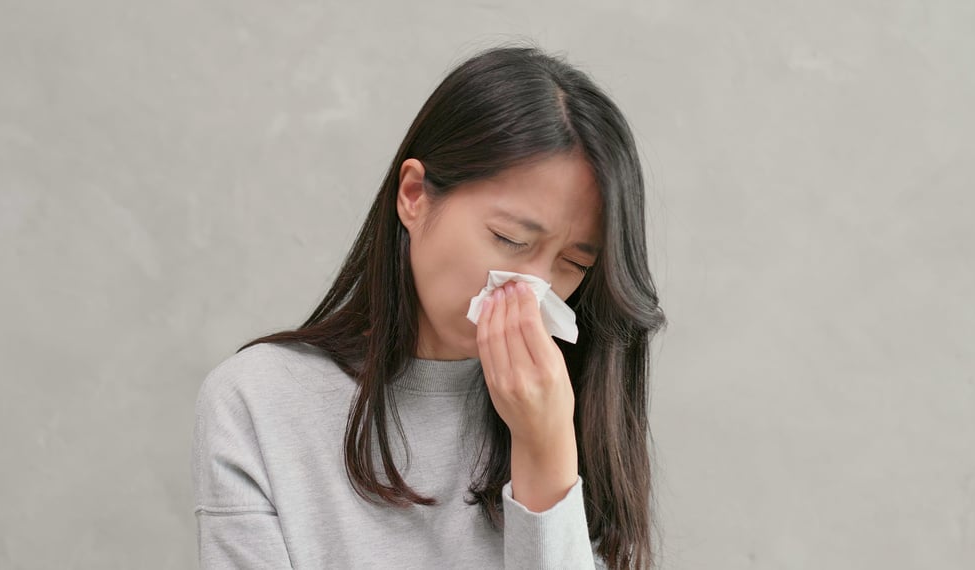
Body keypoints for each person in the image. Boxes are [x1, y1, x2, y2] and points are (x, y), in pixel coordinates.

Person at [190, 43, 666, 569]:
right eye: (509, 239)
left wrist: (545, 450)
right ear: (414, 195)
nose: (532, 287)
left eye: (573, 264)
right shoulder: (259, 402)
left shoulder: (579, 403)